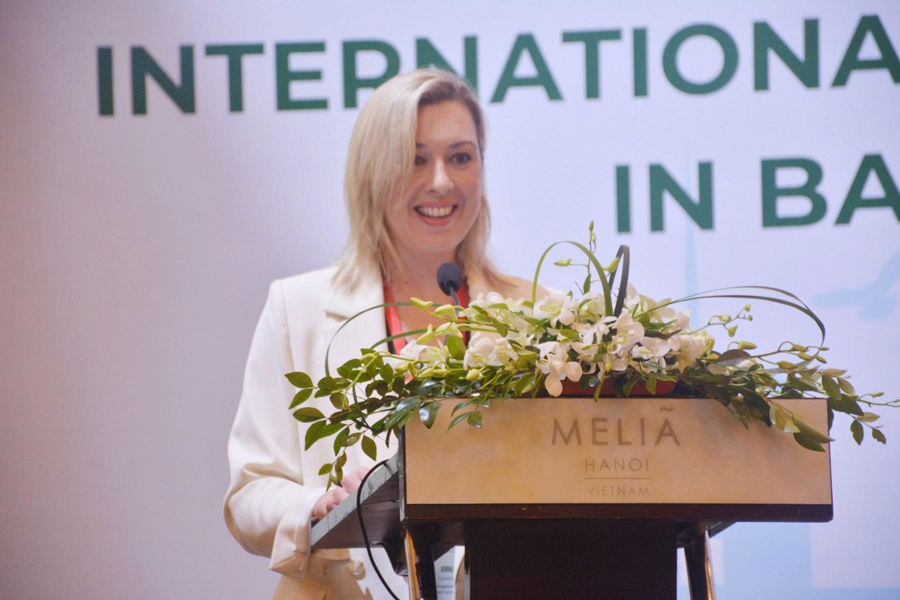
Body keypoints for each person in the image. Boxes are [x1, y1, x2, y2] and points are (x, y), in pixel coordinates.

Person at [224, 68, 539, 599]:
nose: (441, 181)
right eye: (415, 159)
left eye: (461, 157)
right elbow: (249, 495)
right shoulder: (298, 308)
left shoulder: (537, 315)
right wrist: (317, 507)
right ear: (374, 171)